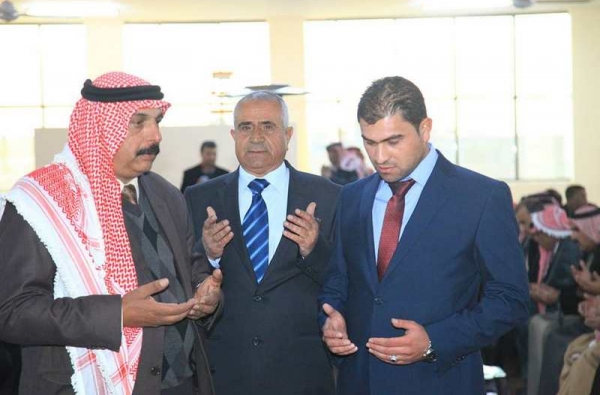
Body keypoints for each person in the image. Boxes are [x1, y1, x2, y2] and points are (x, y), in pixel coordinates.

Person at [0, 72, 222, 395]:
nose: (156, 136)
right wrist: (117, 315)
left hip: (182, 383)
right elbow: (13, 312)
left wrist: (206, 292)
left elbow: (190, 268)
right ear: (101, 127)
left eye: (157, 121)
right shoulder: (42, 202)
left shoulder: (167, 195)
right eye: (138, 122)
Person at [318, 76, 529, 394]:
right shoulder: (351, 197)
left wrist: (435, 341)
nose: (379, 156)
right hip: (360, 381)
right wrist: (331, 318)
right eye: (369, 142)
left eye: (393, 141)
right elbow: (337, 279)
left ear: (425, 129)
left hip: (441, 382)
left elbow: (510, 299)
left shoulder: (481, 197)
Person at [185, 91, 340, 395]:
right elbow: (185, 274)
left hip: (303, 372)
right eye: (246, 127)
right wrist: (210, 255)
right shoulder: (199, 198)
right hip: (225, 372)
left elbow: (344, 280)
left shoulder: (328, 196)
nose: (256, 137)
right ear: (233, 135)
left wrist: (313, 250)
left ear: (288, 135)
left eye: (268, 126)